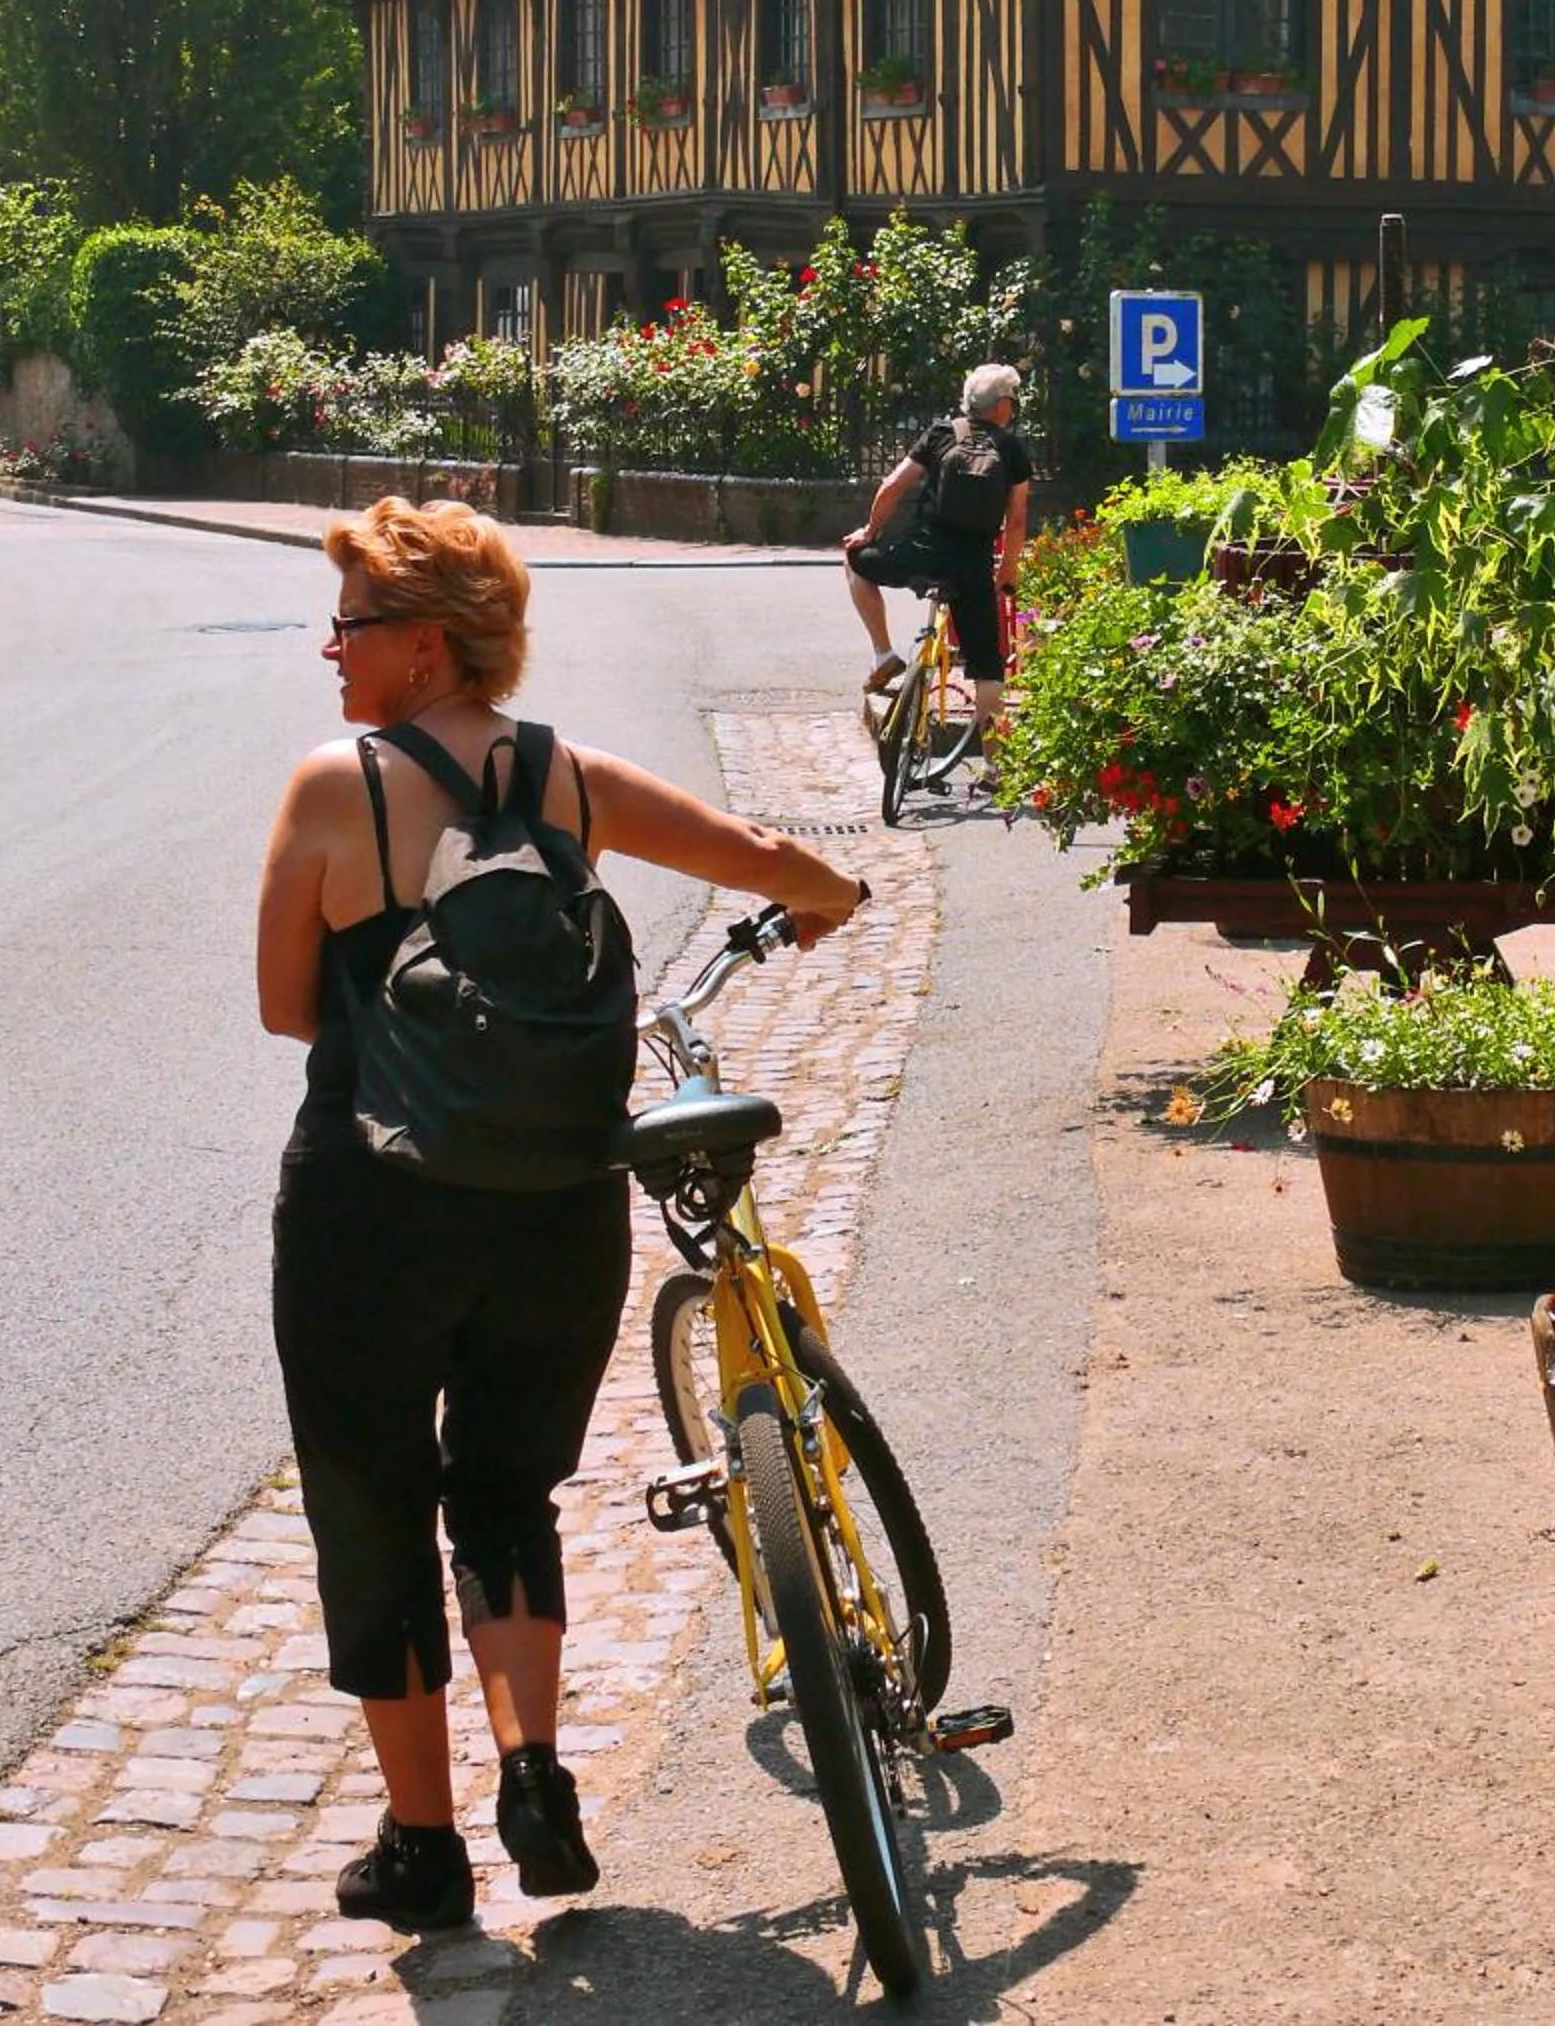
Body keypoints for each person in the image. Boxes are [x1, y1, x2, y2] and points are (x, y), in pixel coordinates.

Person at [256, 495, 864, 1933]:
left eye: (349, 624)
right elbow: (764, 857)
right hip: (558, 1204)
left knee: (373, 1504)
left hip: (369, 1205)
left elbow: (288, 1008)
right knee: (508, 1493)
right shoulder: (568, 778)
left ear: (420, 647)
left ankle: (424, 1842)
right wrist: (829, 894)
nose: (328, 651)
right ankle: (535, 1771)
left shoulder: (336, 785)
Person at [843, 360, 1031, 743]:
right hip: (972, 568)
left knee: (854, 561)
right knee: (988, 668)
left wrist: (870, 531)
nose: (1013, 407)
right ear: (999, 406)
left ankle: (884, 654)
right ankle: (995, 768)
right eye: (1012, 399)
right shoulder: (1011, 449)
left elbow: (892, 486)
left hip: (921, 552)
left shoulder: (942, 433)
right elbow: (1016, 521)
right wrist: (1007, 572)